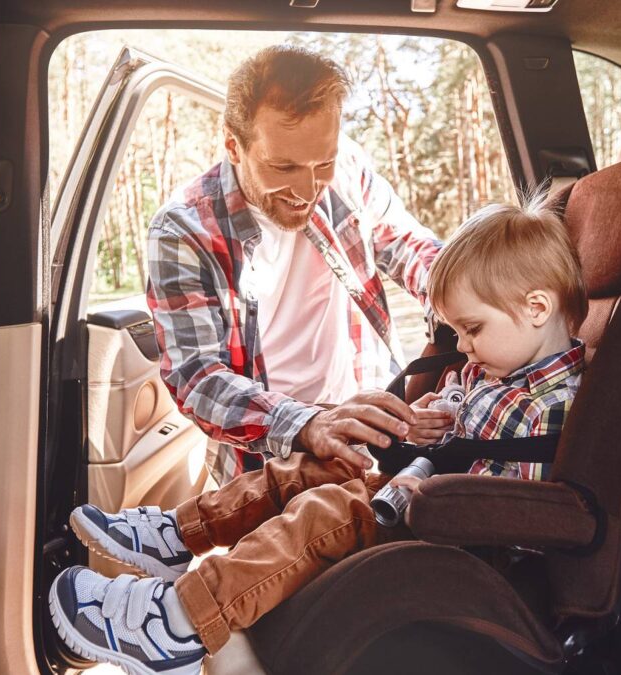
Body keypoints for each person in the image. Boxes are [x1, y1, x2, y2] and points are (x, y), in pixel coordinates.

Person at [48, 198, 590, 674]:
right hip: (418, 487)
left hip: (458, 530)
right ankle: (178, 534)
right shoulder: (502, 366)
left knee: (322, 512)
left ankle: (178, 624)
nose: (464, 346)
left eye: (472, 330)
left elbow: (507, 501)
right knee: (304, 471)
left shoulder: (550, 405)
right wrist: (431, 415)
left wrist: (427, 469)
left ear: (537, 308)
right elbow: (467, 414)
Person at [145, 44, 448, 486]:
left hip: (371, 428)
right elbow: (197, 377)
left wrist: (466, 293)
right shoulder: (182, 230)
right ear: (233, 144)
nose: (307, 189)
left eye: (321, 162)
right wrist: (307, 425)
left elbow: (407, 245)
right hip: (265, 456)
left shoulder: (347, 170)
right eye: (282, 166)